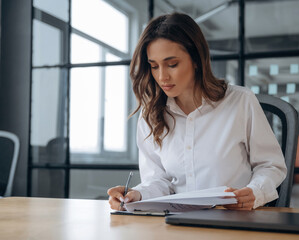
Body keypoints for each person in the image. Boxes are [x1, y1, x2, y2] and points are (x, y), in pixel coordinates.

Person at [108, 12, 286, 211]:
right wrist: (136, 195)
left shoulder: (241, 102)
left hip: (234, 220)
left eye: (172, 64)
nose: (162, 76)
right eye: (154, 66)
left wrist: (255, 192)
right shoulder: (150, 116)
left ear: (196, 59)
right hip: (177, 223)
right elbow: (159, 181)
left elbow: (271, 165)